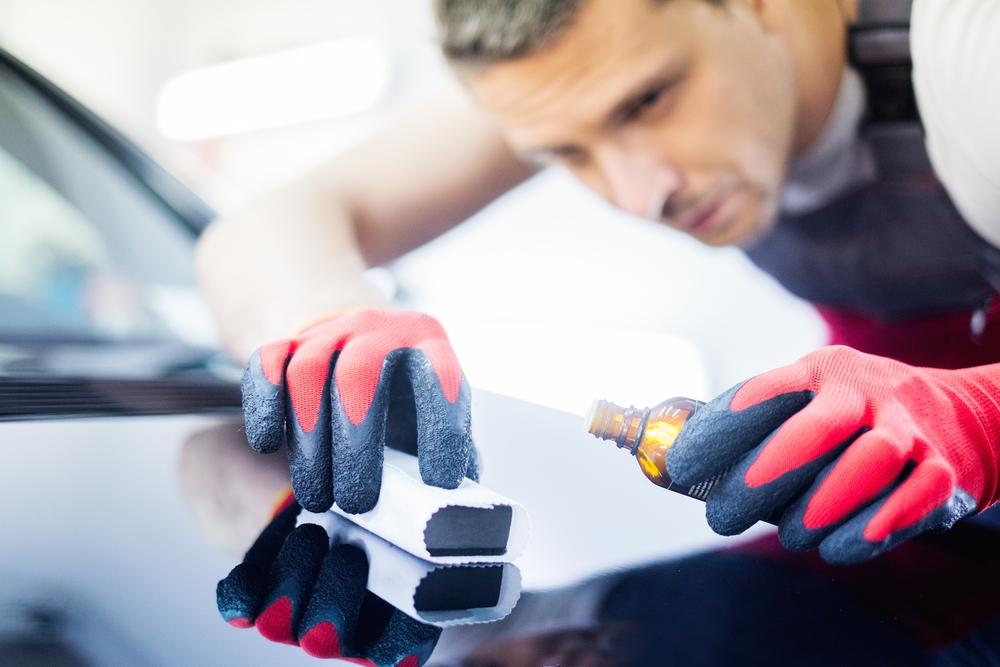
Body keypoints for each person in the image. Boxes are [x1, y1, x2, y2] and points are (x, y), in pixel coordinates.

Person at [196, 0, 1000, 663]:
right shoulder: (581, 60)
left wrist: (981, 413)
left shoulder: (972, 55)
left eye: (649, 101)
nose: (643, 194)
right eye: (565, 152)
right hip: (917, 526)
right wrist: (330, 334)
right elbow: (264, 229)